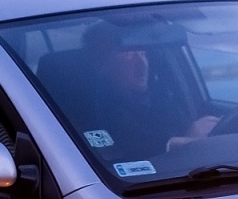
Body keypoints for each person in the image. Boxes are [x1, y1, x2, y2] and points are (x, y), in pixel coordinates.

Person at [79, 23, 216, 156]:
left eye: (143, 54)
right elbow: (130, 146)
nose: (142, 63)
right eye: (130, 55)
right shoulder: (90, 111)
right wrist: (190, 139)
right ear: (101, 63)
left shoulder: (159, 94)